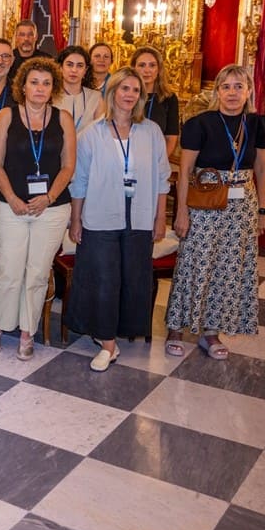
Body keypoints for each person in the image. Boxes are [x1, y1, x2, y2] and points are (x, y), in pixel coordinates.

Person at [65, 68, 171, 371]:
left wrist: (160, 217)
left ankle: (119, 331)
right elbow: (80, 182)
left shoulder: (150, 131)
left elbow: (163, 179)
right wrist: (76, 219)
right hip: (99, 215)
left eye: (135, 90)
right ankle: (107, 342)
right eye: (123, 88)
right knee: (102, 279)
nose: (129, 95)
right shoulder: (90, 134)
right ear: (111, 93)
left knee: (132, 277)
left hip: (139, 216)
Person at [165, 64, 265, 359]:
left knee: (228, 269)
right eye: (226, 86)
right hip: (205, 201)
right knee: (194, 264)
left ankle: (211, 332)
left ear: (249, 91)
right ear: (217, 92)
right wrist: (182, 212)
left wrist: (263, 209)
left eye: (239, 86)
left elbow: (263, 168)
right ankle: (175, 327)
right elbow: (185, 169)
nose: (232, 93)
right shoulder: (199, 124)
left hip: (242, 206)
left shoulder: (259, 125)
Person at [0, 57, 75, 359]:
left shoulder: (63, 118)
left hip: (50, 209)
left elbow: (68, 166)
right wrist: (11, 197)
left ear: (54, 88)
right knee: (8, 270)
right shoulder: (6, 116)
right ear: (22, 86)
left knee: (37, 273)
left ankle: (27, 332)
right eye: (34, 82)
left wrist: (48, 197)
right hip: (10, 206)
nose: (40, 88)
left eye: (47, 83)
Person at [131, 46, 180, 156]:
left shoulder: (169, 98)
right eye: (142, 65)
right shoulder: (126, 95)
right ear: (133, 68)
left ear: (159, 69)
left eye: (152, 65)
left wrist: (160, 163)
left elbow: (171, 137)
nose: (147, 70)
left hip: (155, 157)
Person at [58, 46, 103, 134]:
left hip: (87, 147)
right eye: (69, 65)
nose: (74, 70)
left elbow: (100, 133)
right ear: (60, 67)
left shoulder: (95, 98)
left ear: (85, 70)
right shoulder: (50, 96)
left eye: (80, 66)